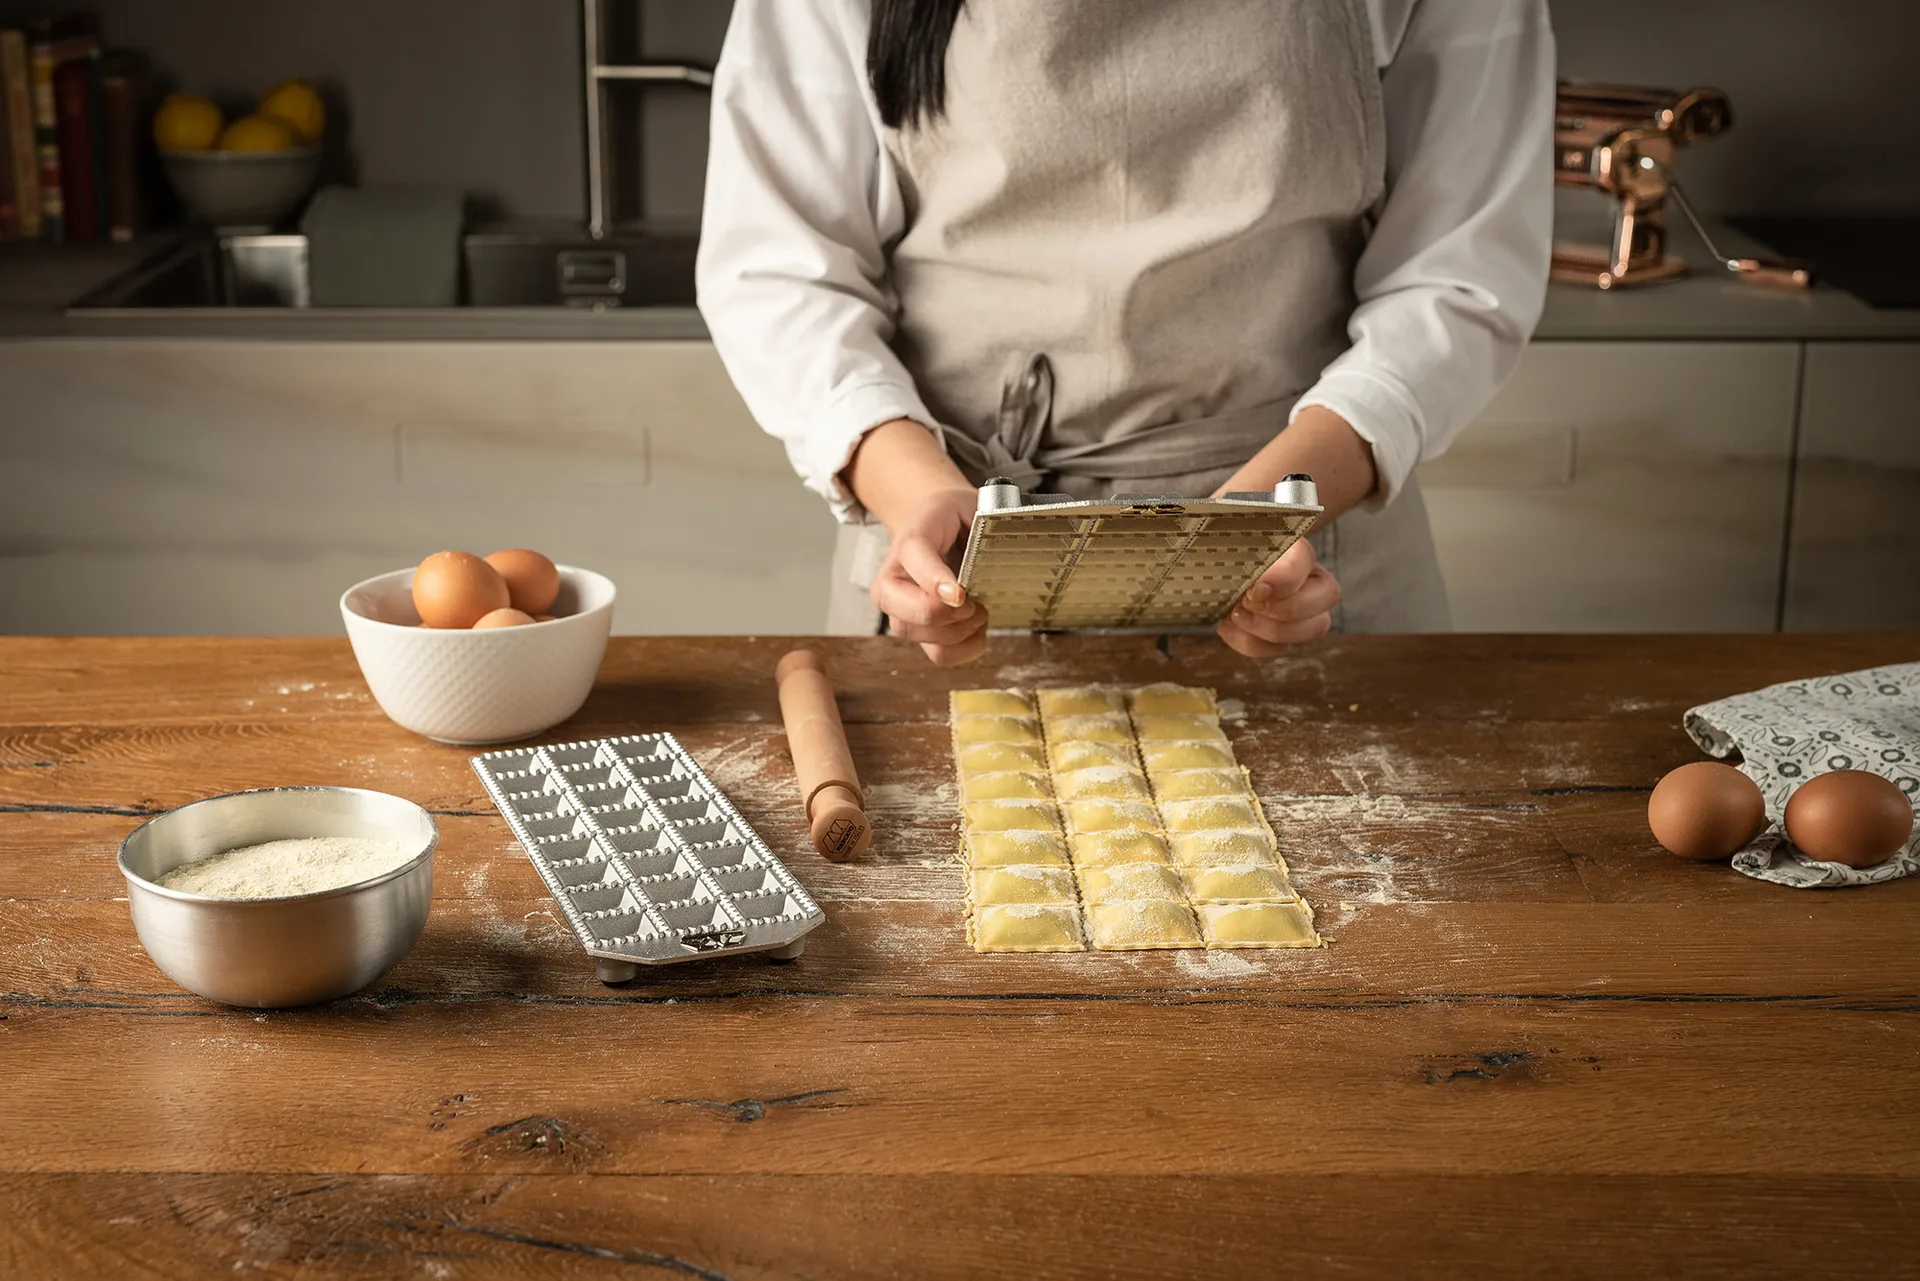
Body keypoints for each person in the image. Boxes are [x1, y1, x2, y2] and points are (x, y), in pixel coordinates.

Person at [697, 0, 1553, 664]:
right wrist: (918, 493)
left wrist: (1265, 518)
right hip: (953, 569)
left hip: (1301, 564)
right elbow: (779, 268)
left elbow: (1459, 271)